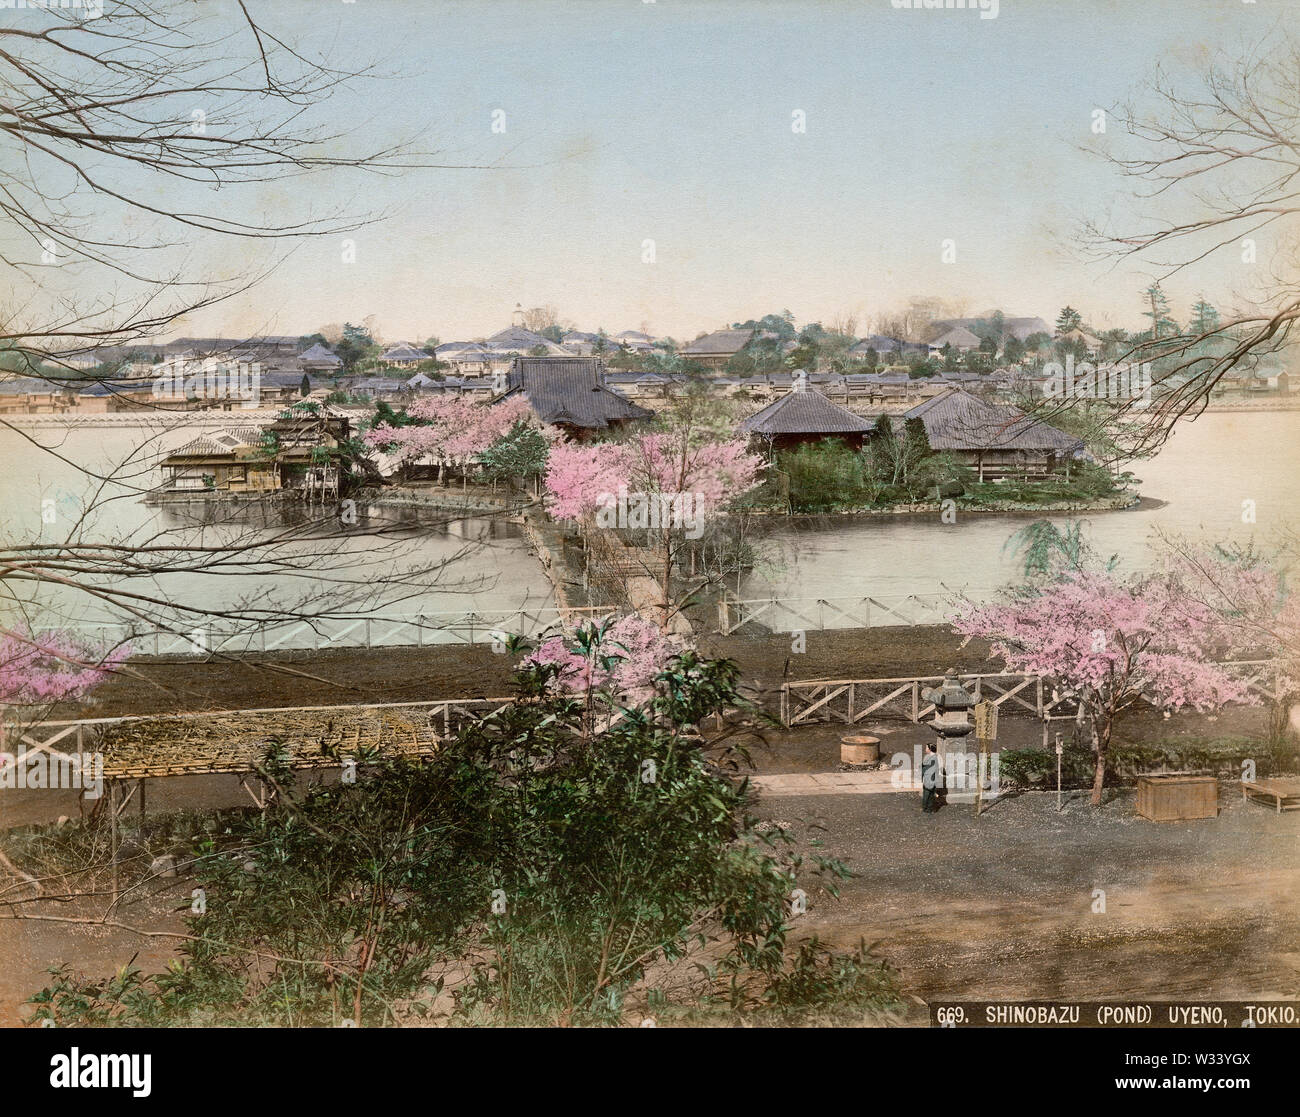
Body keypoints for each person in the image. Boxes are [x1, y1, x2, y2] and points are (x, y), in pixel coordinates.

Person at [921, 741, 941, 813]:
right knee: (928, 795)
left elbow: (933, 770)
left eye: (926, 748)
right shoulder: (929, 757)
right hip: (927, 779)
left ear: (930, 749)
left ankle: (927, 809)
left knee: (928, 795)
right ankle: (927, 808)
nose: (925, 749)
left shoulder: (933, 759)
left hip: (930, 780)